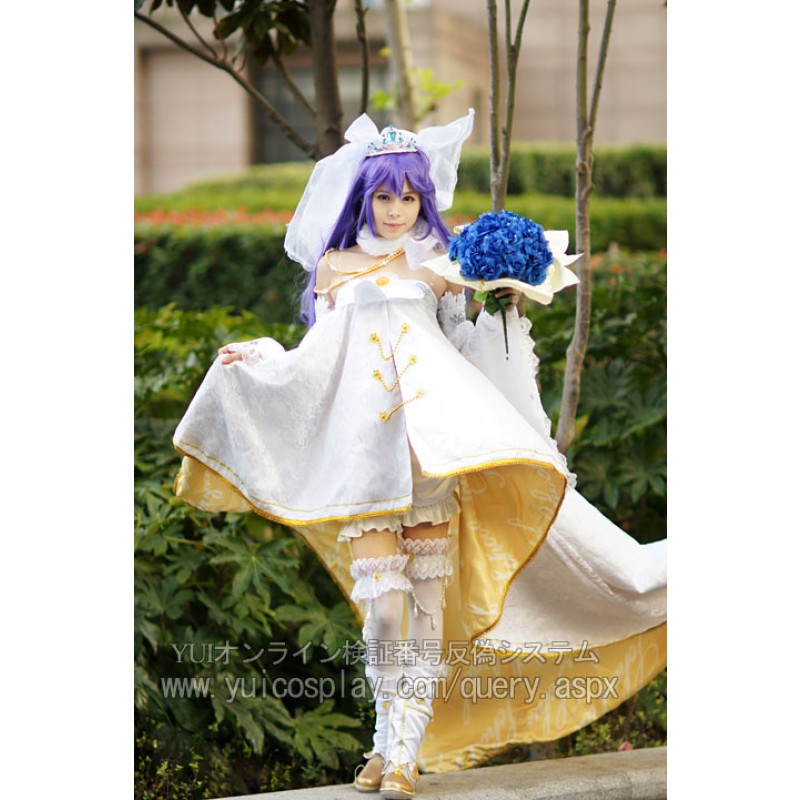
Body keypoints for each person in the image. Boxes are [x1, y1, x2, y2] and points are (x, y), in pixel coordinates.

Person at [173, 110, 666, 799]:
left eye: (409, 196)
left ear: (423, 198)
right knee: (383, 609)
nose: (397, 209)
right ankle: (386, 738)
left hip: (430, 456)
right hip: (365, 462)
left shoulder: (441, 264)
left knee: (427, 607)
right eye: (384, 195)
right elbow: (318, 360)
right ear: (363, 196)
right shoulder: (334, 267)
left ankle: (401, 755)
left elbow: (463, 353)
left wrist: (503, 307)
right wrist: (257, 356)